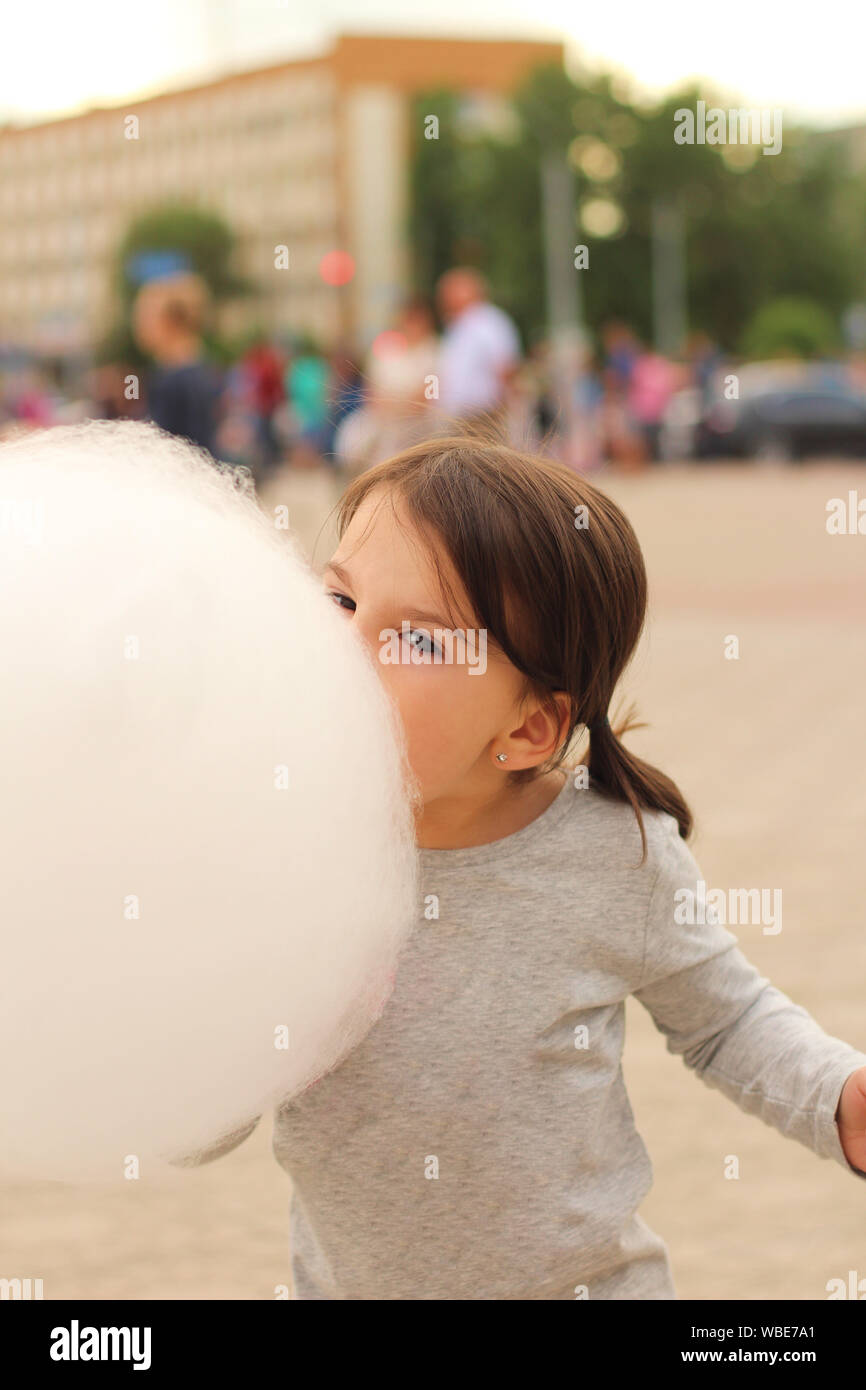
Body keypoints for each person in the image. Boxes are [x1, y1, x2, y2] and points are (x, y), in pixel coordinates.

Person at [181, 437, 866, 1300]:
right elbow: (209, 1101)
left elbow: (725, 1022)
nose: (345, 647)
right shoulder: (286, 854)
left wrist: (841, 1098)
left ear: (529, 730)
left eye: (417, 641)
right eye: (340, 599)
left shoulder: (614, 853)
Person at [132, 273, 221, 458]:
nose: (138, 325)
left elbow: (164, 449)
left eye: (145, 317)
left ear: (170, 322)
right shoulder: (200, 368)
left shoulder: (173, 380)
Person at [435, 268, 521, 429]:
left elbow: (505, 367)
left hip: (483, 413)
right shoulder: (457, 325)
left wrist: (503, 407)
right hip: (460, 414)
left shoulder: (489, 321)